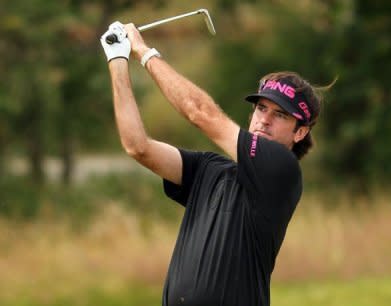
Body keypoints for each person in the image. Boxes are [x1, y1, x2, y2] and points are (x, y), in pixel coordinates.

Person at [100, 21, 324, 306]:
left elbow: (201, 113)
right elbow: (138, 146)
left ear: (300, 132)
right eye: (261, 108)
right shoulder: (211, 168)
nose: (264, 119)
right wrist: (117, 60)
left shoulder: (282, 169)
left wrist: (144, 52)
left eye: (280, 115)